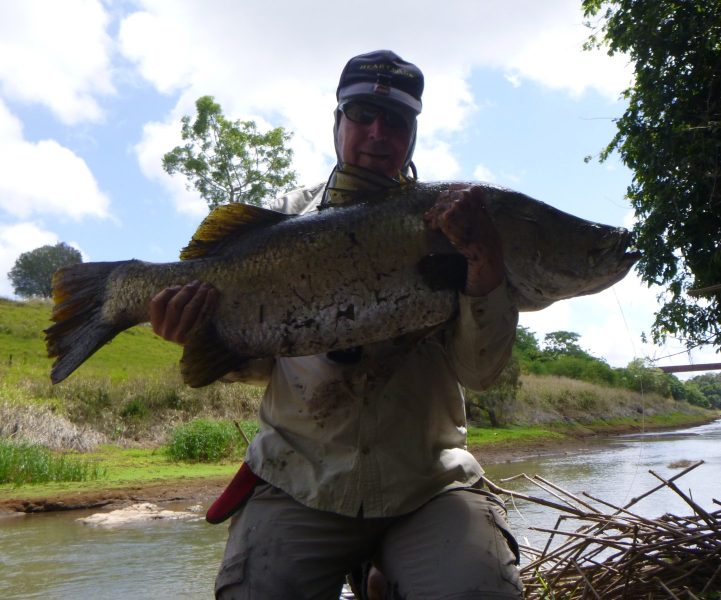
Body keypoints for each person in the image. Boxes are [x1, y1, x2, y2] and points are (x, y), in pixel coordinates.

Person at [150, 50, 523, 600]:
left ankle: (379, 572)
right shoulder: (280, 223)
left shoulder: (462, 227)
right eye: (363, 114)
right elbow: (259, 366)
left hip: (427, 485)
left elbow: (480, 372)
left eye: (396, 121)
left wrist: (485, 273)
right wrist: (200, 331)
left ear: (413, 135)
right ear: (337, 121)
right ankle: (373, 575)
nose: (378, 132)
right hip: (298, 481)